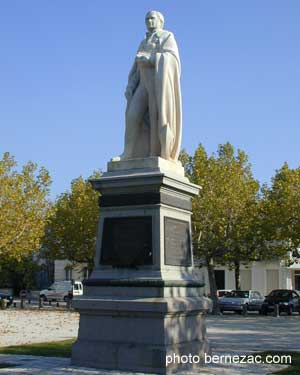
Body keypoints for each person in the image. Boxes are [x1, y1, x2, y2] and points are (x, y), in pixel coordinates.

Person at [120, 10, 182, 161]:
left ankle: (157, 152)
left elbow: (172, 60)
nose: (149, 22)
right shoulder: (143, 41)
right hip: (142, 84)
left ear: (161, 21)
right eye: (147, 19)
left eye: (152, 18)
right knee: (132, 117)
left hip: (158, 86)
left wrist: (152, 59)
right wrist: (131, 85)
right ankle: (128, 153)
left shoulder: (167, 36)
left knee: (158, 118)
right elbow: (136, 68)